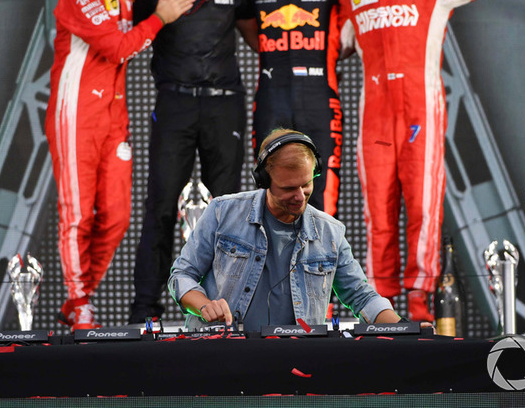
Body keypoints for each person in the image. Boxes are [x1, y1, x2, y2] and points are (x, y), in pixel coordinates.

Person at [337, 0, 510, 321]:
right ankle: (380, 311)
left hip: (420, 113)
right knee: (378, 216)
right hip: (374, 116)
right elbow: (330, 48)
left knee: (422, 209)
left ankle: (419, 309)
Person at [46, 0, 195, 330]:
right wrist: (159, 19)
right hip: (75, 115)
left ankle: (81, 295)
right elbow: (116, 47)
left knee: (117, 217)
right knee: (78, 215)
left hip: (114, 118)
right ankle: (79, 302)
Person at [129, 0, 258, 324]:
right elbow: (132, 38)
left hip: (225, 104)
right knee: (162, 204)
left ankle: (224, 303)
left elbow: (256, 35)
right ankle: (145, 309)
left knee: (226, 208)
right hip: (175, 103)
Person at [168, 129, 402, 331]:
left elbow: (361, 296)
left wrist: (405, 327)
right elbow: (181, 274)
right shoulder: (222, 212)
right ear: (263, 180)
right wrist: (204, 305)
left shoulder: (331, 233)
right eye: (289, 188)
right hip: (223, 353)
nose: (300, 197)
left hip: (295, 361)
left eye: (306, 184)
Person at [244, 0, 349, 217]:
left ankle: (322, 265)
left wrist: (329, 53)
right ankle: (273, 265)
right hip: (272, 96)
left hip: (319, 95)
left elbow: (352, 30)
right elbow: (249, 30)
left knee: (321, 188)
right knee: (270, 188)